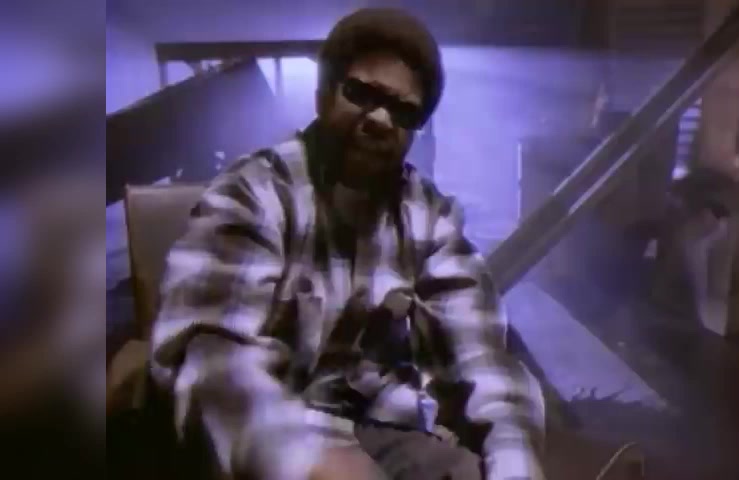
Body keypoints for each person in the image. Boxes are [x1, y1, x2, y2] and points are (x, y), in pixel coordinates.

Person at [150, 8, 545, 480]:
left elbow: (481, 355)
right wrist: (305, 462)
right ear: (322, 96)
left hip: (381, 430)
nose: (379, 119)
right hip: (268, 437)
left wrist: (514, 460)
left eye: (402, 111)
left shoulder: (427, 216)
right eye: (361, 94)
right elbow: (214, 358)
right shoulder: (254, 193)